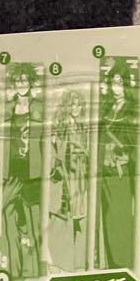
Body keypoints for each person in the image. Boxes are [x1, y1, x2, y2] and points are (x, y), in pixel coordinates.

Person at [2, 63, 44, 278]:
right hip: (11, 170)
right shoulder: (7, 108)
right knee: (9, 222)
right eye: (18, 80)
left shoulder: (39, 107)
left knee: (35, 224)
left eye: (24, 80)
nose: (21, 84)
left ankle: (37, 272)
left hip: (32, 172)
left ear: (30, 82)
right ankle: (13, 273)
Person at [96, 61, 137, 271]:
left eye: (120, 83)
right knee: (106, 216)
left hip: (121, 169)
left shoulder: (132, 108)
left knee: (120, 216)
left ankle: (124, 264)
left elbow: (136, 141)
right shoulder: (106, 106)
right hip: (103, 168)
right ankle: (110, 263)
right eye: (113, 83)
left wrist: (125, 154)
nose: (116, 88)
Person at [52, 88, 91, 263]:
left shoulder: (83, 125)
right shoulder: (62, 125)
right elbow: (58, 149)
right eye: (72, 105)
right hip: (67, 171)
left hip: (81, 171)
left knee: (81, 212)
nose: (75, 108)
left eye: (78, 105)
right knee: (68, 212)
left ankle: (80, 254)